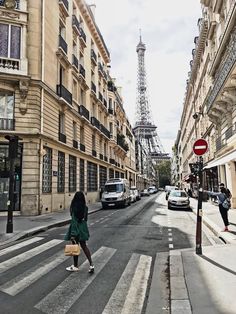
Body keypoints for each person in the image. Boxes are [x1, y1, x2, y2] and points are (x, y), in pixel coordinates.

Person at [64, 191, 94, 273]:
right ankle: (91, 264)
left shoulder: (74, 208)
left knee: (75, 247)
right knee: (84, 246)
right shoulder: (85, 208)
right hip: (83, 229)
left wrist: (73, 234)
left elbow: (74, 221)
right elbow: (86, 219)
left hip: (76, 229)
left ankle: (75, 265)